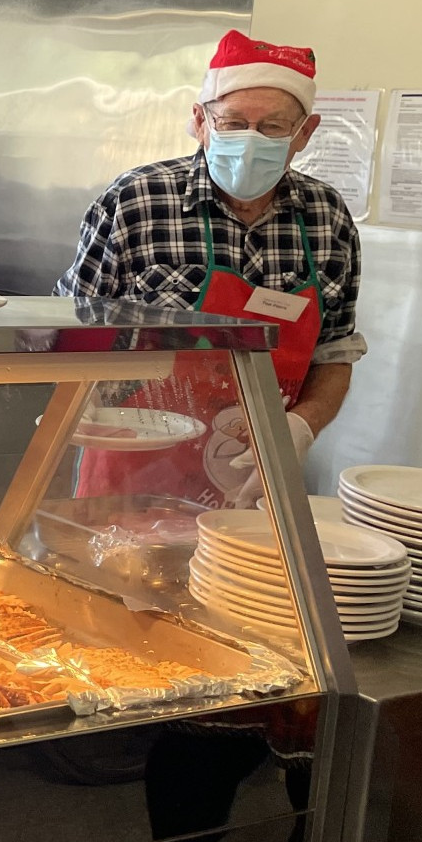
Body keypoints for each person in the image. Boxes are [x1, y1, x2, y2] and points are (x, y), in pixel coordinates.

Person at [55, 31, 364, 505]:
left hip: (254, 477)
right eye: (233, 122)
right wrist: (84, 409)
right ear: (200, 121)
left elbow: (334, 354)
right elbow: (66, 328)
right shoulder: (136, 202)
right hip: (131, 475)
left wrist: (300, 428)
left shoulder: (328, 218)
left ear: (305, 132)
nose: (250, 141)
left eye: (274, 127)